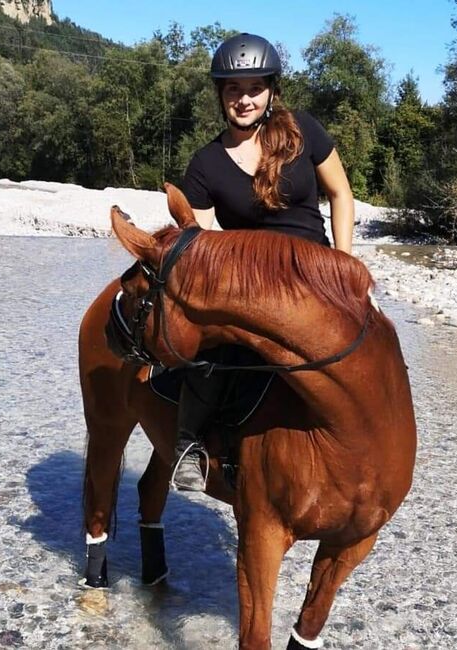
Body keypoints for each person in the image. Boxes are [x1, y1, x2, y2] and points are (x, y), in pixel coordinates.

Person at [170, 32, 355, 491]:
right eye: (233, 89)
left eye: (254, 88)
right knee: (213, 350)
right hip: (249, 285)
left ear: (271, 90)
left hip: (316, 273)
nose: (244, 99)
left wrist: (345, 265)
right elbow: (201, 241)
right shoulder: (205, 165)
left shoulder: (303, 130)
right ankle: (188, 444)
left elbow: (341, 193)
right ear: (220, 94)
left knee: (373, 344)